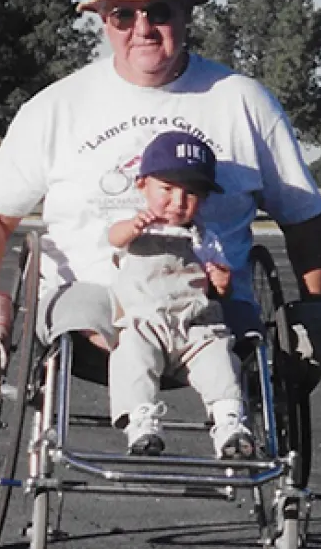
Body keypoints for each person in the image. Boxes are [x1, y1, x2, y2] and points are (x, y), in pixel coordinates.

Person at [0, 0, 321, 422]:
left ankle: (234, 430)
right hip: (94, 304)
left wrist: (315, 311)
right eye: (123, 14)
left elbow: (303, 214)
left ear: (186, 14)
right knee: (87, 320)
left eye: (159, 11)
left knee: (239, 336)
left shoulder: (241, 102)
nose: (143, 28)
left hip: (206, 301)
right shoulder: (57, 107)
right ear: (103, 20)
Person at [107, 130, 255, 458]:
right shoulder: (135, 227)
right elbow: (114, 239)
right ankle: (141, 420)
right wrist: (134, 226)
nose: (178, 202)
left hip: (194, 322)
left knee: (219, 355)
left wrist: (221, 280)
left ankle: (229, 421)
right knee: (131, 354)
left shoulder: (204, 236)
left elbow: (219, 284)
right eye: (167, 189)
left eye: (191, 194)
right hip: (147, 319)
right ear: (142, 185)